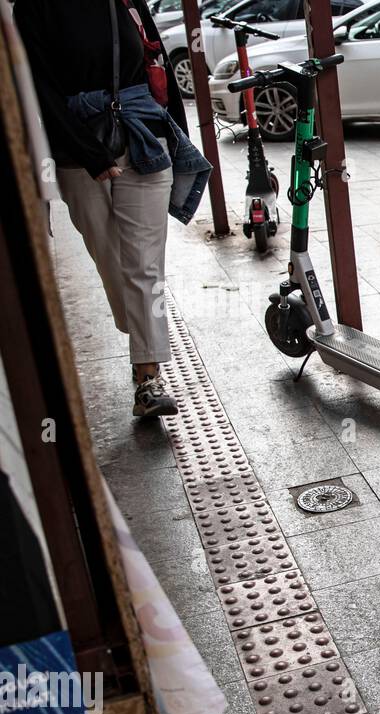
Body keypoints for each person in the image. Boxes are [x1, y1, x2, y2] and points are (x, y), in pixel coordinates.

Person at [16, 0, 211, 418]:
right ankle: (140, 333)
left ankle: (147, 377)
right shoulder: (35, 10)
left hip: (143, 136)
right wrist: (87, 153)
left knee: (144, 264)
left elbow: (156, 62)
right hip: (76, 150)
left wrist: (176, 135)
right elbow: (39, 89)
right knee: (111, 262)